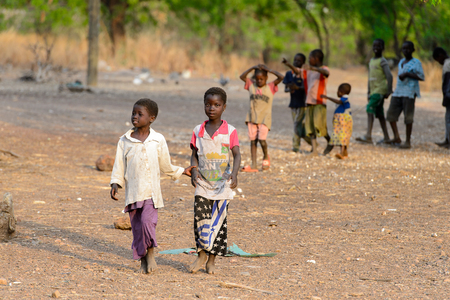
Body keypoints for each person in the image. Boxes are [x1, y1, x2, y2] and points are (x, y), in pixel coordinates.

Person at [110, 98, 193, 274]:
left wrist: (182, 171)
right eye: (134, 113)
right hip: (133, 193)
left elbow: (165, 165)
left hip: (151, 193)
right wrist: (115, 183)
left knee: (148, 223)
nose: (135, 117)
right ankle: (142, 261)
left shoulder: (158, 139)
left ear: (151, 118)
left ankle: (151, 253)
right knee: (138, 229)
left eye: (140, 114)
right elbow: (119, 165)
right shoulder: (124, 140)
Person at [188, 87, 241, 274]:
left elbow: (237, 154)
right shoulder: (198, 130)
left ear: (224, 107)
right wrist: (194, 170)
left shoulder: (230, 131)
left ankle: (212, 260)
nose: (212, 108)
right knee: (200, 219)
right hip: (203, 184)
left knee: (219, 222)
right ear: (204, 106)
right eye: (208, 105)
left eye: (217, 105)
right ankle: (201, 253)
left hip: (222, 185)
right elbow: (194, 154)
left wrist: (235, 173)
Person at [283, 49, 332, 156]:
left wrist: (313, 68)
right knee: (310, 127)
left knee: (320, 126)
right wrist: (288, 65)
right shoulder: (307, 71)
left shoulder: (323, 69)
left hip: (319, 101)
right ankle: (314, 150)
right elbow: (297, 71)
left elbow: (326, 73)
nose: (308, 60)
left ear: (316, 59)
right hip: (309, 102)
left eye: (310, 58)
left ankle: (330, 141)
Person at [239, 64, 283, 171]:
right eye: (257, 79)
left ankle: (265, 156)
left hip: (265, 119)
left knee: (262, 140)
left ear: (266, 78)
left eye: (262, 79)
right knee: (253, 141)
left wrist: (270, 70)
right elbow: (242, 77)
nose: (259, 81)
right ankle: (253, 164)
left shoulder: (270, 87)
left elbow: (281, 77)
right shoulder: (251, 85)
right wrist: (252, 68)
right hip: (252, 117)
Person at [385, 41, 425, 149]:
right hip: (398, 91)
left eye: (408, 49)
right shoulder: (401, 61)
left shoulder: (416, 62)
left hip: (409, 93)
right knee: (390, 115)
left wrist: (407, 74)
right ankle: (396, 137)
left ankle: (407, 141)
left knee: (408, 118)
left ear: (413, 50)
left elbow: (422, 77)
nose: (405, 51)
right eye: (403, 49)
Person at [356, 39, 393, 144]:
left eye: (378, 46)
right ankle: (386, 138)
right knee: (380, 114)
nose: (376, 48)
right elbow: (370, 77)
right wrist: (368, 92)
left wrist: (389, 90)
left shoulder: (383, 61)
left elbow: (389, 76)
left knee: (369, 109)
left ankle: (368, 135)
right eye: (374, 46)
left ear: (383, 48)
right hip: (373, 91)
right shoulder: (372, 61)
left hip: (380, 90)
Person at [282, 53, 311, 152]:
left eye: (299, 60)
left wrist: (297, 87)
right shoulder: (289, 74)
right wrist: (291, 89)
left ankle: (295, 146)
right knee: (299, 127)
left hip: (303, 104)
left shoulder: (304, 73)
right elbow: (286, 89)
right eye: (295, 60)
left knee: (296, 124)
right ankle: (313, 142)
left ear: (303, 62)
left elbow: (306, 88)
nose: (296, 62)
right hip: (293, 103)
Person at [321, 83, 353, 159]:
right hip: (340, 121)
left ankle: (342, 153)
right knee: (340, 136)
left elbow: (339, 102)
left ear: (341, 92)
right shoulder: (344, 99)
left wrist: (327, 97)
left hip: (343, 121)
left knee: (342, 136)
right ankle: (344, 153)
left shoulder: (345, 98)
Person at [432, 47, 450, 149]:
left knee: (448, 119)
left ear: (440, 56)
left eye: (437, 59)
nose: (438, 62)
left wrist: (446, 96)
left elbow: (448, 82)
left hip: (449, 96)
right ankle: (447, 139)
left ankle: (448, 141)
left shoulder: (447, 64)